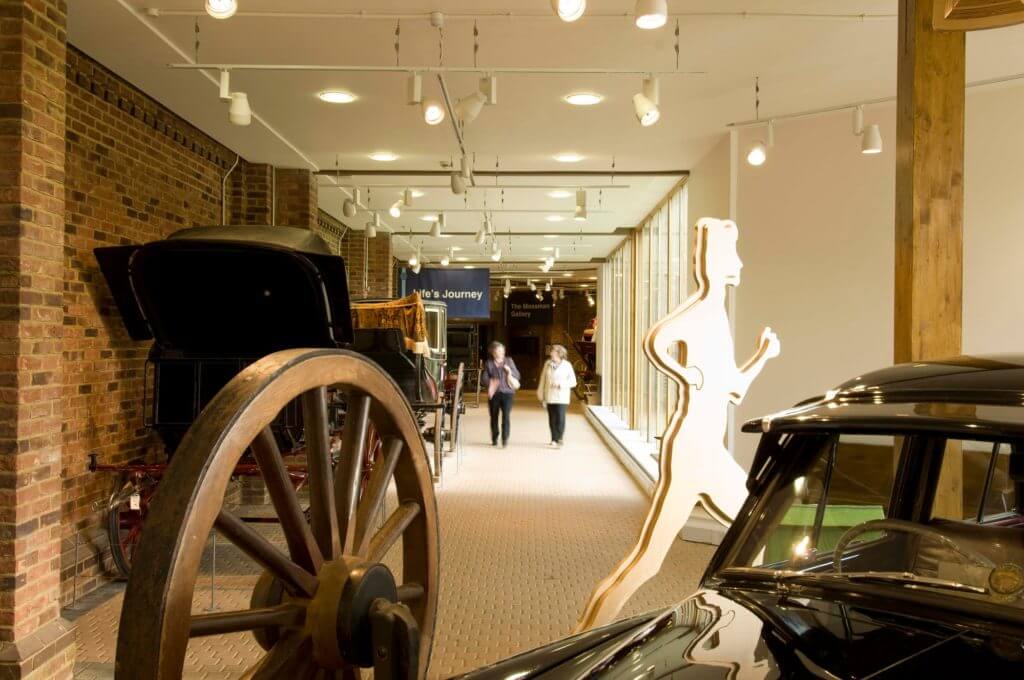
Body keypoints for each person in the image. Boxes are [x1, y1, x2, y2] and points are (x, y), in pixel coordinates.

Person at [536, 344, 577, 448]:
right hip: (550, 395)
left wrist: (560, 384)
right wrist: (541, 394)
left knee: (560, 417)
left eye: (553, 351)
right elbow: (543, 379)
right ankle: (553, 439)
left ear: (559, 353)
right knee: (552, 418)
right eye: (551, 351)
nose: (551, 353)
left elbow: (573, 382)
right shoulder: (547, 364)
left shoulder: (567, 365)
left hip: (561, 397)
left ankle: (560, 438)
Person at [483, 341, 520, 448]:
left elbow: (517, 374)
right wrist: (491, 381)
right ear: (493, 352)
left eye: (502, 350)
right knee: (494, 416)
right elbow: (484, 378)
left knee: (506, 416)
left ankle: (505, 439)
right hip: (494, 393)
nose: (501, 352)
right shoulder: (489, 363)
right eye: (499, 350)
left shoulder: (509, 361)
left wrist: (509, 372)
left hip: (508, 393)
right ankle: (495, 438)